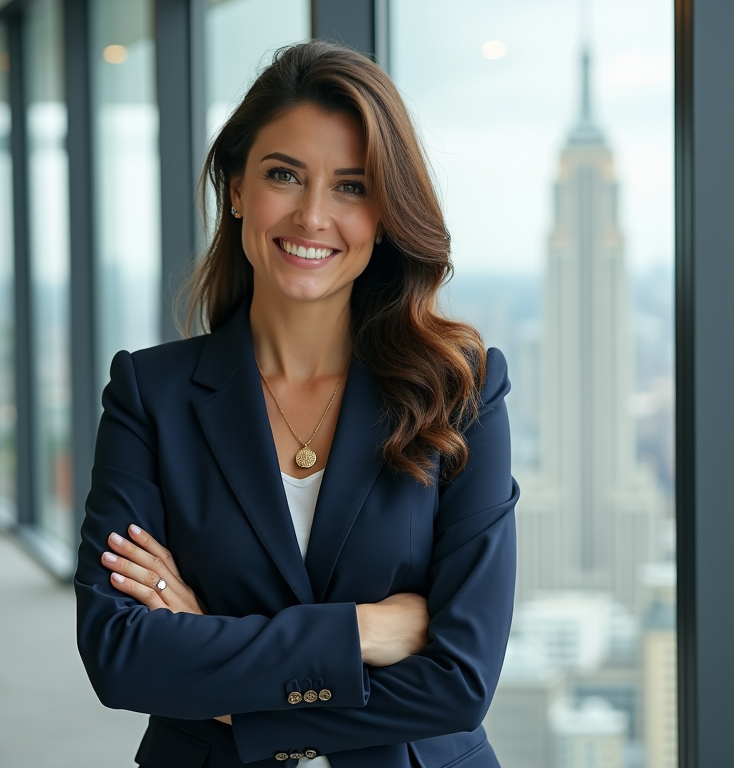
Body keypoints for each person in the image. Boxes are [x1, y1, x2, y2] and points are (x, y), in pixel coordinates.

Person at [75, 39, 518, 768]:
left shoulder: (460, 390)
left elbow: (460, 683)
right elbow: (121, 655)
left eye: (351, 186)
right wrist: (363, 632)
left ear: (384, 213)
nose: (313, 216)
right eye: (285, 175)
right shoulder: (149, 395)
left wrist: (229, 692)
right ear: (238, 188)